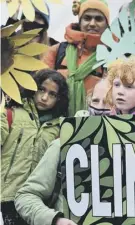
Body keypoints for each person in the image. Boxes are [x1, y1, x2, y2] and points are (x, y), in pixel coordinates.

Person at [14, 80, 111, 225]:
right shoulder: (64, 145)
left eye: (109, 102)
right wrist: (54, 220)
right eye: (95, 101)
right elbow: (26, 196)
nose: (99, 107)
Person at [1, 69, 69, 225]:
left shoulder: (61, 127)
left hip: (38, 204)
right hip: (6, 198)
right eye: (41, 89)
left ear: (59, 99)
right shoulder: (11, 114)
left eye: (52, 94)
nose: (45, 97)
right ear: (32, 87)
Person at [42, 0, 110, 116]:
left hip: (96, 124)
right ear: (79, 21)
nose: (92, 23)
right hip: (54, 125)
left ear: (107, 23)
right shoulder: (56, 51)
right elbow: (40, 87)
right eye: (87, 18)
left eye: (98, 19)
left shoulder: (113, 57)